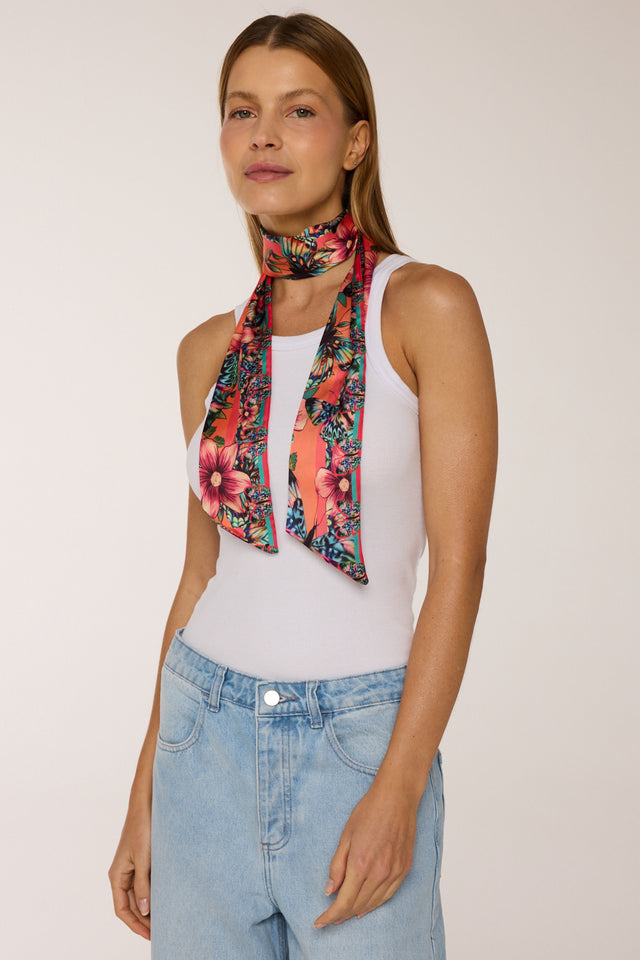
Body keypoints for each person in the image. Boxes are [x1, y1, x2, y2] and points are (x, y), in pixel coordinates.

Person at [108, 12, 497, 959]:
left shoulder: (425, 307)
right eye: (242, 111)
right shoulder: (208, 350)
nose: (265, 136)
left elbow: (461, 566)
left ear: (356, 141)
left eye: (300, 110)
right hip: (201, 738)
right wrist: (144, 794)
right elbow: (201, 577)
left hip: (357, 746)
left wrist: (400, 786)